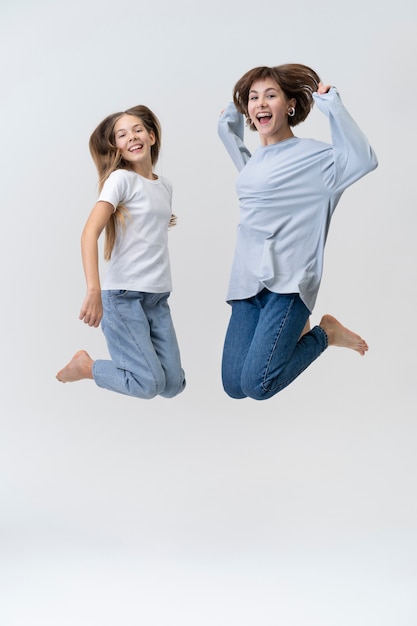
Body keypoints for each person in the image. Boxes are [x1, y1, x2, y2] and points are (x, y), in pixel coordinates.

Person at [217, 64, 378, 401]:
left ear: (290, 105)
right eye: (253, 97)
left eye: (271, 95)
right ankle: (294, 334)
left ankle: (325, 334)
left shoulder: (316, 158)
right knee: (234, 386)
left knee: (258, 385)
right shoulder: (257, 163)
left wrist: (332, 104)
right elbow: (255, 181)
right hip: (247, 280)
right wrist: (228, 132)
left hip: (288, 283)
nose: (260, 103)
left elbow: (363, 159)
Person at [56, 105, 186, 399]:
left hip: (157, 297)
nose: (132, 137)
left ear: (151, 136)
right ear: (116, 146)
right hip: (123, 296)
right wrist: (93, 290)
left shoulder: (165, 186)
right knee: (148, 384)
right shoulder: (120, 180)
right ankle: (86, 367)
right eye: (122, 135)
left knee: (173, 385)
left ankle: (97, 367)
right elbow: (89, 233)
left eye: (138, 130)